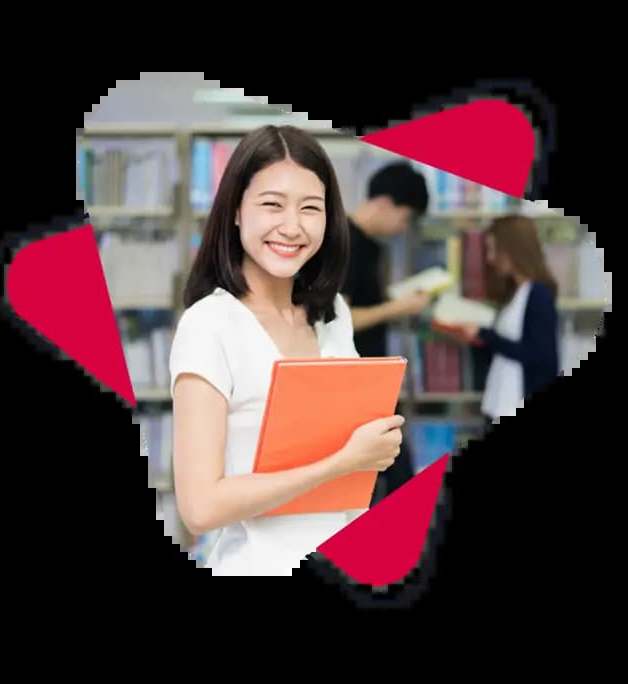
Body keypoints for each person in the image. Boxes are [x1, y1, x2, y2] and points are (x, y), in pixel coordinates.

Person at [168, 125, 406, 576]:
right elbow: (199, 508)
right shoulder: (209, 325)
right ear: (236, 211)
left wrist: (377, 447)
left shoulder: (333, 313)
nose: (292, 227)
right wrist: (341, 463)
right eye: (271, 204)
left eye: (310, 209)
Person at [341, 161, 432, 502]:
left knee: (394, 475)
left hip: (369, 376)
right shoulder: (348, 244)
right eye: (404, 217)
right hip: (355, 381)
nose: (401, 227)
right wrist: (398, 308)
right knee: (395, 478)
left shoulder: (365, 244)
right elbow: (338, 318)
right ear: (385, 203)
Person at [443, 214, 560, 424]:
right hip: (499, 400)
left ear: (513, 249)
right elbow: (506, 352)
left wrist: (483, 334)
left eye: (494, 249)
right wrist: (476, 340)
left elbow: (541, 358)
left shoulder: (537, 294)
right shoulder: (516, 294)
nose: (490, 258)